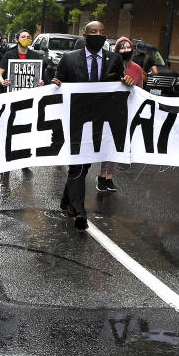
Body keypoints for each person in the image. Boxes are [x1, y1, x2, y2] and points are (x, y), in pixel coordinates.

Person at [52, 20, 136, 231]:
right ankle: (80, 211)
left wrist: (126, 81)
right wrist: (55, 85)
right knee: (78, 164)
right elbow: (56, 82)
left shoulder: (114, 60)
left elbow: (117, 86)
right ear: (85, 36)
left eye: (102, 32)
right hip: (76, 121)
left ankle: (66, 201)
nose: (98, 35)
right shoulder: (69, 60)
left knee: (85, 164)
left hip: (99, 123)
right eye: (93, 32)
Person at [96, 36, 144, 193]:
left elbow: (140, 92)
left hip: (126, 112)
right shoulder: (109, 65)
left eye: (128, 47)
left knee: (118, 145)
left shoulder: (137, 69)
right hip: (109, 110)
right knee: (107, 144)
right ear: (116, 50)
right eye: (121, 48)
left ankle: (110, 177)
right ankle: (101, 176)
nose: (125, 50)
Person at [0, 29, 47, 94]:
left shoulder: (35, 55)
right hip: (12, 94)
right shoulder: (9, 54)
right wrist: (3, 82)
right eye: (23, 37)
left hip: (29, 95)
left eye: (28, 37)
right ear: (17, 40)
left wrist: (40, 83)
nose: (26, 39)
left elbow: (38, 76)